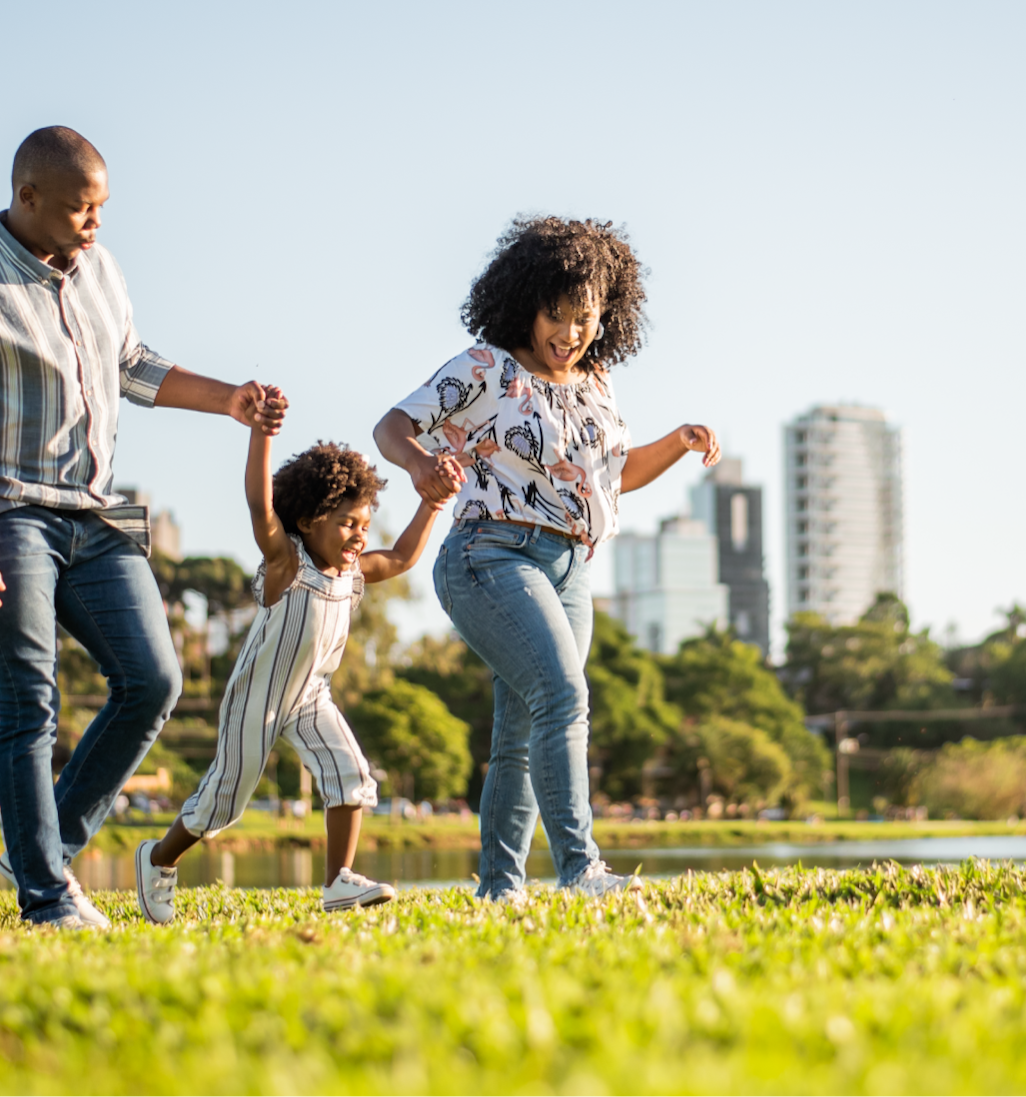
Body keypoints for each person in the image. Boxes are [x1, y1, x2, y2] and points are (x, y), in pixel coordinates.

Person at [0, 126, 285, 931]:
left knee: (155, 680)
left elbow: (132, 364)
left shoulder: (100, 269)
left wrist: (229, 399)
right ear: (26, 197)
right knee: (29, 700)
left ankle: (42, 845)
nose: (95, 224)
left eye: (102, 208)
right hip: (5, 515)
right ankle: (44, 897)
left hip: (95, 515)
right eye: (80, 208)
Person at [373, 216, 720, 902]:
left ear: (605, 315)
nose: (570, 332)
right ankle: (581, 868)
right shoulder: (485, 368)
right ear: (523, 302)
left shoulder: (597, 381)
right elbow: (392, 426)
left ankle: (499, 890)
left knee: (522, 731)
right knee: (564, 695)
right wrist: (419, 467)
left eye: (585, 317)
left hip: (570, 569)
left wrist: (677, 441)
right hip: (491, 555)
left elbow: (612, 473)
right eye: (555, 314)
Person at [134, 395, 450, 922]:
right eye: (347, 523)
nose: (359, 535)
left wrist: (433, 504)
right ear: (307, 520)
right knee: (224, 801)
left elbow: (399, 557)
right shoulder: (287, 561)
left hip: (310, 696)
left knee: (350, 773)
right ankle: (159, 858)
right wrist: (262, 433)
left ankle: (337, 882)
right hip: (258, 697)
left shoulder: (352, 573)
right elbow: (260, 505)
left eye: (364, 524)